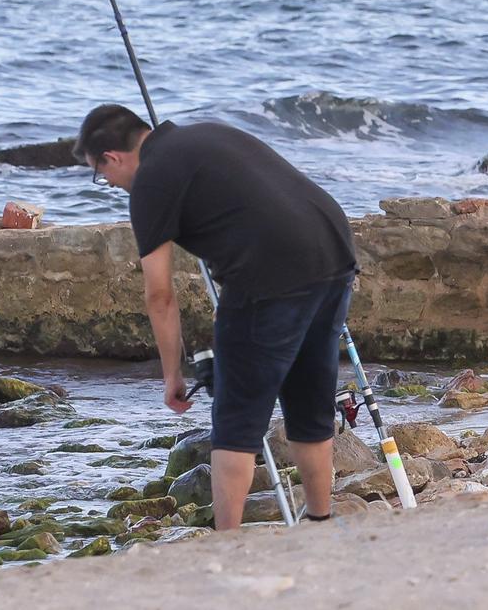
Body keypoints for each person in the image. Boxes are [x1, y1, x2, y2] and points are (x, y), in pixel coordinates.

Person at [78, 104, 357, 530]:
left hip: (271, 275)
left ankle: (229, 544)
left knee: (236, 420)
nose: (110, 184)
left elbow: (159, 295)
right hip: (333, 251)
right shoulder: (205, 134)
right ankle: (320, 520)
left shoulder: (151, 180)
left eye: (101, 175)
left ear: (112, 157)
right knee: (308, 396)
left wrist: (172, 373)